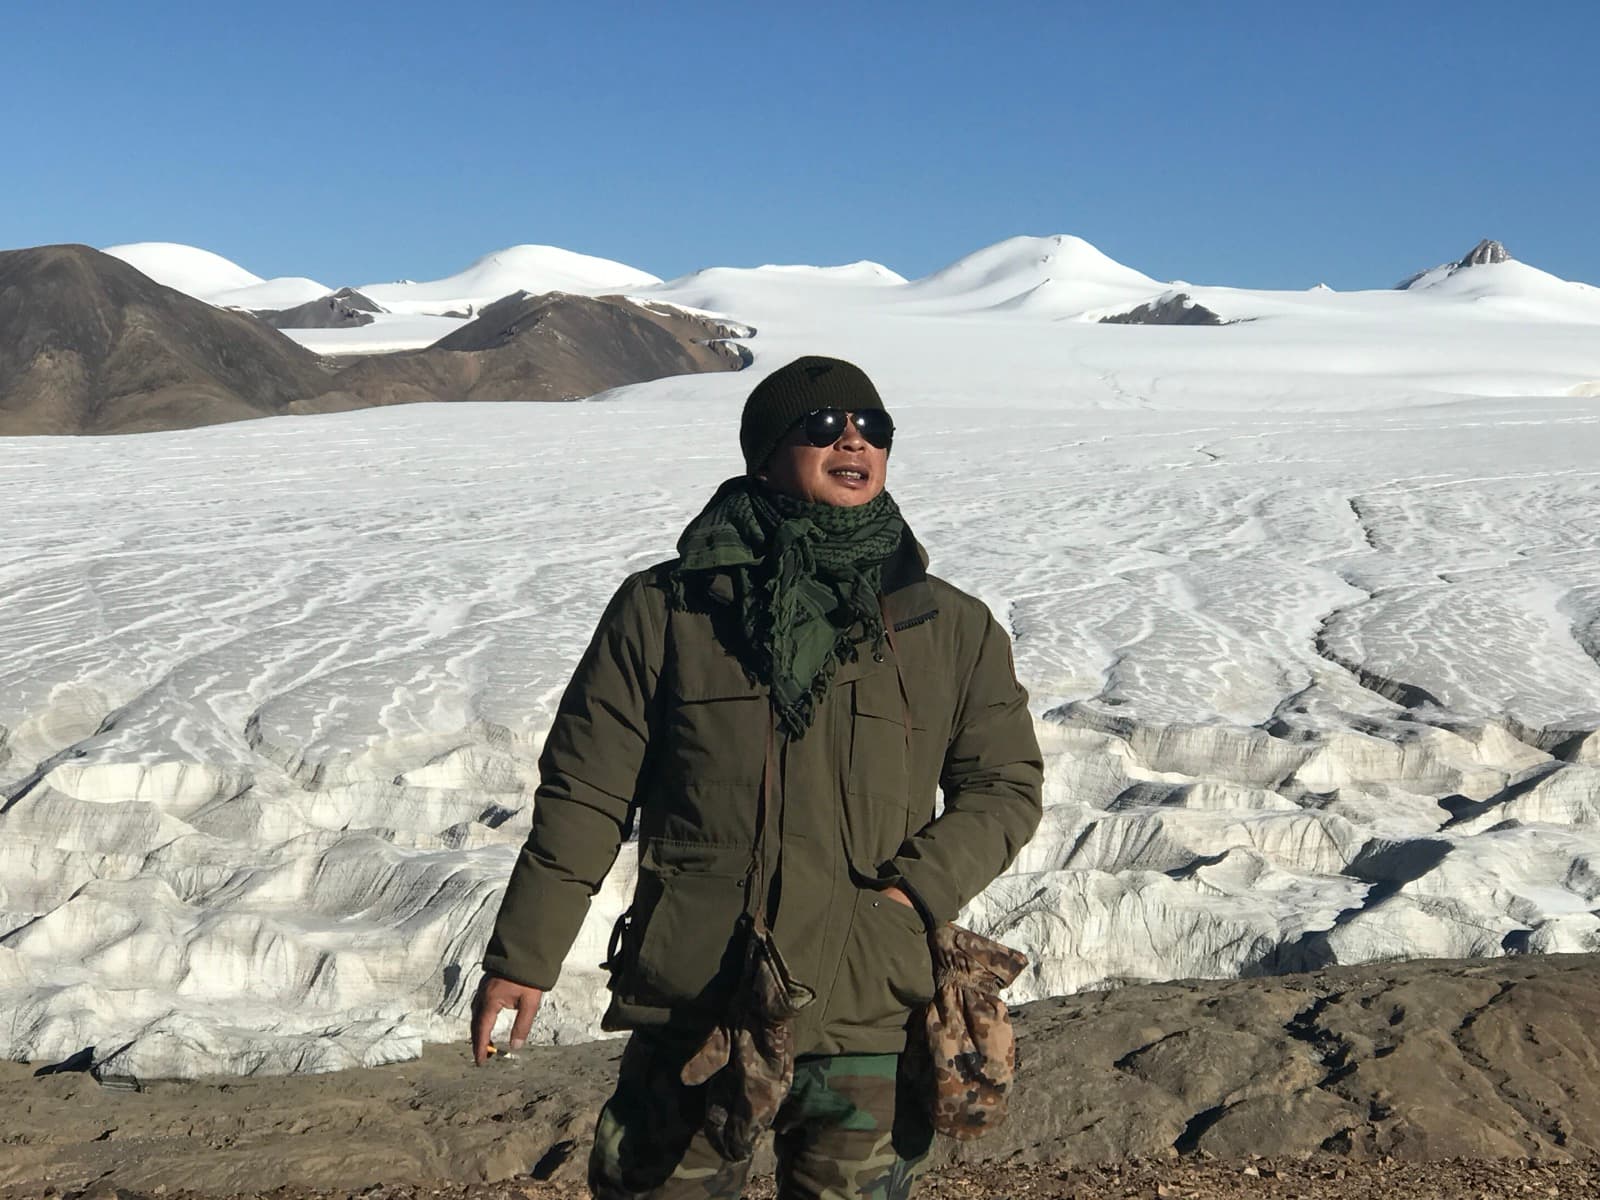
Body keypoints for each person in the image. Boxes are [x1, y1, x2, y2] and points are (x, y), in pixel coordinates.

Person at [472, 355, 1043, 1200]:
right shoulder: (669, 609)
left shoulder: (947, 625)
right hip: (701, 996)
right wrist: (524, 955)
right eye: (822, 427)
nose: (853, 441)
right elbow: (588, 791)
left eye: (871, 428)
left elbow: (1003, 785)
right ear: (766, 453)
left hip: (869, 1005)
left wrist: (907, 899)